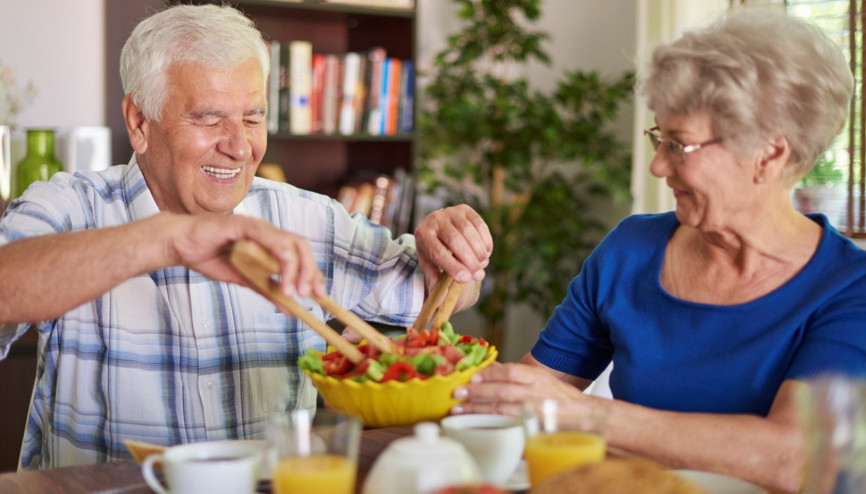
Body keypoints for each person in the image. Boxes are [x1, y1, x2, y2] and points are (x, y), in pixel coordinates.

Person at [0, 4, 492, 470]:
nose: (239, 146)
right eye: (208, 118)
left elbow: (443, 291)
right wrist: (165, 239)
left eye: (253, 117)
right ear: (139, 122)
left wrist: (454, 253)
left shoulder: (305, 218)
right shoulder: (71, 206)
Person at [451, 8, 866, 493]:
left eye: (678, 145)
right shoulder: (630, 249)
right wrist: (440, 303)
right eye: (659, 138)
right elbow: (525, 400)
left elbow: (795, 459)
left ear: (769, 155)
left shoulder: (849, 286)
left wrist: (585, 415)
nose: (657, 167)